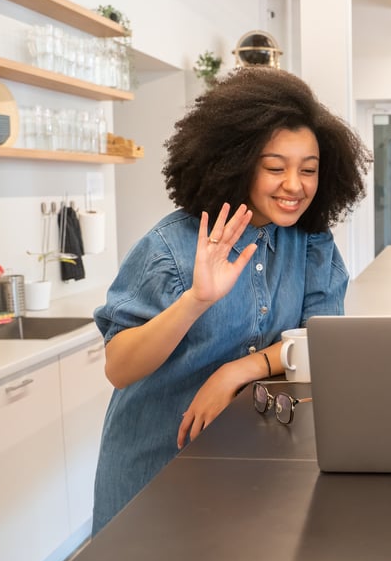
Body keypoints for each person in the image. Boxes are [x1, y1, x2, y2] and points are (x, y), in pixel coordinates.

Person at [91, 66, 369, 533]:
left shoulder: (311, 243)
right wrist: (196, 300)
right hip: (156, 465)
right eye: (275, 168)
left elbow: (323, 343)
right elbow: (119, 367)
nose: (295, 185)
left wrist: (238, 369)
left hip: (253, 464)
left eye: (308, 170)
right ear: (237, 163)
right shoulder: (170, 247)